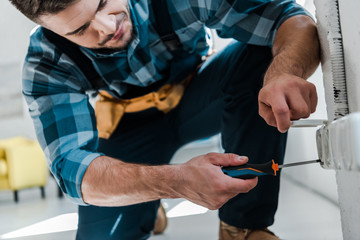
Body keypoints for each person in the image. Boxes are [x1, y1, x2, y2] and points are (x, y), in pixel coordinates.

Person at [9, 0, 319, 239]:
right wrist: (173, 182)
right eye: (80, 30)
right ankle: (146, 197)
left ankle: (243, 228)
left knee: (261, 56)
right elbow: (71, 168)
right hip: (129, 126)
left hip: (199, 98)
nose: (106, 26)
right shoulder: (46, 64)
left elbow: (288, 17)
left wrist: (283, 73)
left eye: (103, 2)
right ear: (51, 31)